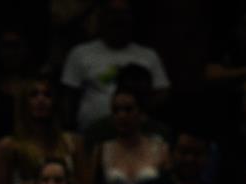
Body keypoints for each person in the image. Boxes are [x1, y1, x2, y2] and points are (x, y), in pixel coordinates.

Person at [60, 0, 170, 131]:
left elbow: (162, 92)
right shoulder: (80, 53)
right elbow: (68, 97)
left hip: (137, 135)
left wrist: (141, 108)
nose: (118, 19)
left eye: (124, 13)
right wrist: (68, 129)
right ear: (103, 17)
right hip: (91, 133)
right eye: (113, 13)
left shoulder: (148, 55)